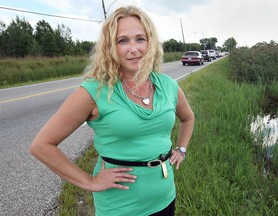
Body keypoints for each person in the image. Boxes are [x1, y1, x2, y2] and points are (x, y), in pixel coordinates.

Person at [30, 5, 194, 216]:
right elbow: (41, 145)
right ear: (110, 47)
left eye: (140, 39)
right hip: (120, 207)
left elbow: (188, 118)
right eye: (122, 40)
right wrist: (89, 181)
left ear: (151, 42)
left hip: (165, 198)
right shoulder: (95, 90)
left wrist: (181, 149)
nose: (133, 49)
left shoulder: (168, 85)